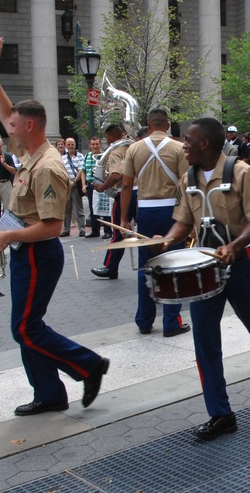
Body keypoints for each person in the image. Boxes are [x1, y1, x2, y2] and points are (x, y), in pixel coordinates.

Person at [0, 37, 109, 415]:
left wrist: (8, 234)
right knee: (28, 326)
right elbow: (7, 109)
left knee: (24, 328)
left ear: (32, 125)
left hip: (39, 253)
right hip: (27, 253)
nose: (9, 127)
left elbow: (53, 227)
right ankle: (49, 393)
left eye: (15, 124)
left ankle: (88, 365)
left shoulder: (48, 165)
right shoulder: (30, 152)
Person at [157, 118, 250, 441]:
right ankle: (221, 413)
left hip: (240, 264)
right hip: (203, 269)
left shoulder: (240, 173)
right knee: (204, 340)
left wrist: (234, 246)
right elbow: (182, 221)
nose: (184, 145)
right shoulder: (186, 178)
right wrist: (166, 240)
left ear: (204, 143)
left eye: (188, 140)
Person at [119, 108, 191, 338]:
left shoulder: (134, 148)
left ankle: (143, 320)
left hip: (146, 213)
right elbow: (185, 184)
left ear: (149, 125)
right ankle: (171, 322)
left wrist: (123, 218)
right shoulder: (179, 148)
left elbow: (126, 186)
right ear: (167, 125)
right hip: (172, 211)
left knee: (145, 266)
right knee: (173, 265)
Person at [91, 125, 134, 279]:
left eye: (107, 138)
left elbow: (116, 175)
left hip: (124, 194)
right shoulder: (133, 147)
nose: (106, 141)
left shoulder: (116, 150)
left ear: (111, 137)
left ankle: (110, 267)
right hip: (140, 193)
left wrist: (102, 187)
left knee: (118, 232)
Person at [60, 137, 86, 237]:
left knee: (79, 208)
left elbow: (81, 170)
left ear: (75, 145)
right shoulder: (62, 158)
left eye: (72, 144)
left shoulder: (80, 156)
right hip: (66, 186)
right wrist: (67, 182)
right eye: (69, 144)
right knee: (67, 208)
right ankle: (66, 229)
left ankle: (82, 229)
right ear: (66, 146)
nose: (70, 146)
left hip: (76, 185)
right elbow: (61, 170)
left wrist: (74, 181)